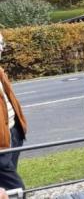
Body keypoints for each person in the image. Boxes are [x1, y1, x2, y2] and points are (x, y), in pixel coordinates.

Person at [0, 33, 26, 193]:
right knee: (17, 188)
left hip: (13, 132)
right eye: (0, 43)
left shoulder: (0, 70)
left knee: (6, 187)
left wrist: (19, 126)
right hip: (1, 143)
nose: (2, 47)